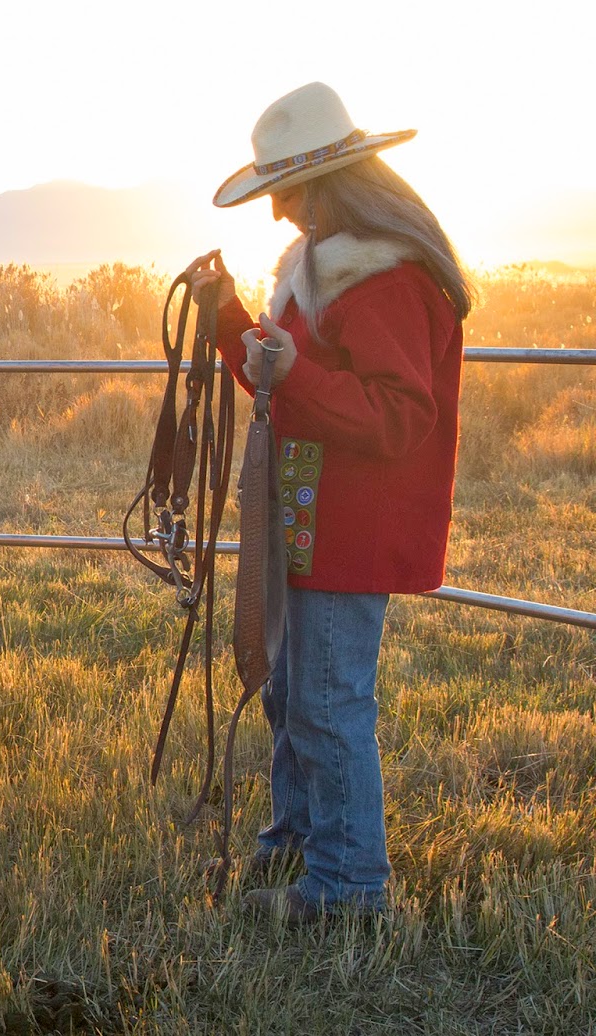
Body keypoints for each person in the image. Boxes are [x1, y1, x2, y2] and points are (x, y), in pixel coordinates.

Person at [191, 82, 473, 922]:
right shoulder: (334, 266)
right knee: (292, 692)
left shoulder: (384, 281)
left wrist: (290, 369)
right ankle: (300, 843)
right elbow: (290, 385)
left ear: (325, 182)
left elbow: (397, 415)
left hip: (352, 526)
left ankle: (349, 886)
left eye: (284, 189)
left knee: (326, 699)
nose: (276, 211)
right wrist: (227, 319)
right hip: (316, 521)